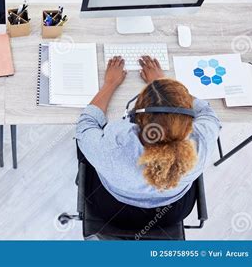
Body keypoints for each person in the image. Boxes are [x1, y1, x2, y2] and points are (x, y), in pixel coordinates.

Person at [76, 56, 220, 229]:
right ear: (188, 119)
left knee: (84, 146)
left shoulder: (114, 144)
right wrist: (163, 87)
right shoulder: (201, 141)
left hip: (113, 209)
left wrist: (110, 84)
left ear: (136, 116)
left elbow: (86, 125)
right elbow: (206, 112)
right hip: (170, 214)